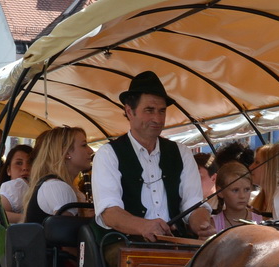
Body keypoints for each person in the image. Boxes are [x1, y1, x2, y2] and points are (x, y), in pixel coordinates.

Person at [91, 71, 213, 240]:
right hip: (126, 243)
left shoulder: (182, 153)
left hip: (175, 242)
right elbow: (109, 212)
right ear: (129, 111)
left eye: (162, 111)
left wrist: (202, 225)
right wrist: (143, 226)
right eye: (149, 110)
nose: (157, 118)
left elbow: (192, 202)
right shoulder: (108, 155)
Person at [23, 126, 95, 222]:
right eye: (84, 145)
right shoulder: (57, 186)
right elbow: (67, 232)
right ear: (66, 153)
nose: (91, 151)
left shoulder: (54, 185)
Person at [210, 142, 263, 232]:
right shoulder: (212, 225)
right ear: (220, 192)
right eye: (235, 190)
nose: (242, 196)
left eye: (246, 189)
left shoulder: (261, 222)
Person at [0, 144, 35, 216]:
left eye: (30, 163)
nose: (25, 168)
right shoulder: (13, 187)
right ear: (8, 170)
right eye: (19, 163)